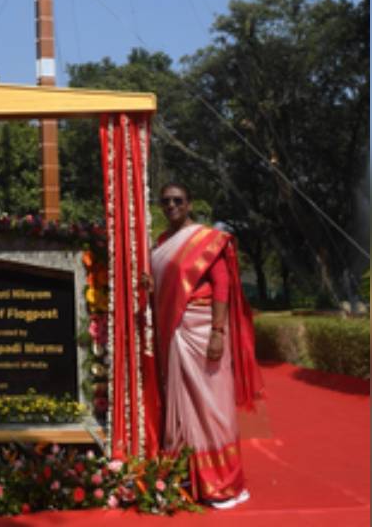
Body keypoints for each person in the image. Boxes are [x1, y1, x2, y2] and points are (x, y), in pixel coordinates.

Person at [138, 182, 262, 508]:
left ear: (189, 203)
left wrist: (218, 332)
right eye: (166, 201)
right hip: (175, 334)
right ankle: (189, 477)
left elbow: (222, 285)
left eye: (178, 200)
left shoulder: (206, 239)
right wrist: (150, 286)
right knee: (182, 408)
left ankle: (225, 482)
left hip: (204, 330)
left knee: (213, 407)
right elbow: (164, 293)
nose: (171, 206)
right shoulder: (162, 243)